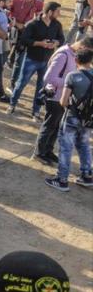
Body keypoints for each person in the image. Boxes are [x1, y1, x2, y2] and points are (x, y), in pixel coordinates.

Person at [33, 37, 93, 165]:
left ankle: (48, 151)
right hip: (54, 98)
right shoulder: (63, 55)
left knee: (56, 126)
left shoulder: (73, 55)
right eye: (89, 52)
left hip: (63, 98)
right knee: (49, 125)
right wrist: (70, 84)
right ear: (83, 47)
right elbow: (48, 78)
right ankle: (39, 153)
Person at [45, 48, 93, 191]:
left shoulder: (72, 76)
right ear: (90, 61)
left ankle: (62, 179)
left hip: (72, 117)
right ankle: (87, 175)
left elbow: (63, 101)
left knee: (66, 148)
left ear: (76, 60)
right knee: (84, 145)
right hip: (89, 119)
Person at [9, 2, 65, 118]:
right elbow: (24, 40)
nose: (59, 14)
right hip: (31, 59)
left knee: (41, 87)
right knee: (21, 83)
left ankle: (36, 111)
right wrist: (40, 43)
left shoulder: (57, 25)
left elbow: (62, 39)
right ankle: (12, 105)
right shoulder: (33, 24)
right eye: (57, 11)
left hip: (47, 61)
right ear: (50, 12)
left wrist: (55, 43)